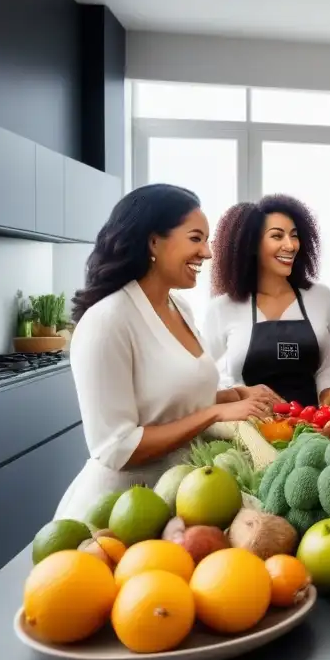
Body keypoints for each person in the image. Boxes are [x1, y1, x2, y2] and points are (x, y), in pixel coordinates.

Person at [54, 184, 274, 521]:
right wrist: (214, 414)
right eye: (195, 238)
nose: (208, 253)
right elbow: (117, 448)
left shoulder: (179, 306)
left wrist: (232, 395)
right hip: (120, 513)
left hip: (177, 495)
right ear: (154, 241)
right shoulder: (107, 321)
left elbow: (167, 402)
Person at [202, 194, 330, 408]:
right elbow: (201, 379)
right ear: (252, 245)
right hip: (251, 431)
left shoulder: (320, 297)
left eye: (294, 236)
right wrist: (236, 393)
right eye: (277, 236)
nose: (290, 245)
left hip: (310, 431)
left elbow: (325, 370)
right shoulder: (223, 308)